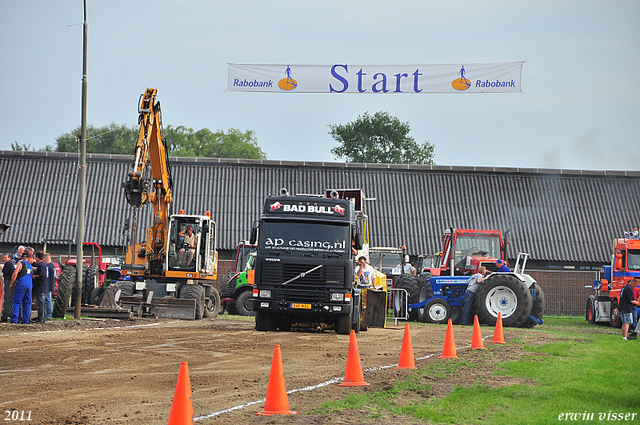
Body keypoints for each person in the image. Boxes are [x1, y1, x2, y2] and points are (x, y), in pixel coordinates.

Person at [10, 252, 33, 324]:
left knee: (17, 302)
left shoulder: (20, 263)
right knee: (27, 303)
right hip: (29, 285)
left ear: (22, 257)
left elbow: (15, 274)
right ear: (28, 258)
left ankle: (14, 319)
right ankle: (26, 320)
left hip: (21, 284)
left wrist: (11, 283)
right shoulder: (30, 265)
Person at [32, 251, 48, 323]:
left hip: (40, 287)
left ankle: (41, 318)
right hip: (44, 287)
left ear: (37, 258)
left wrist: (35, 276)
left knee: (40, 304)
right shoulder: (44, 265)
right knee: (43, 303)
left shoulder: (41, 265)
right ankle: (43, 318)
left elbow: (42, 275)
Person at [44, 253, 56, 320]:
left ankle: (48, 315)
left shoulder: (48, 267)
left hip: (48, 286)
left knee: (48, 300)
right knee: (49, 300)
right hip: (52, 285)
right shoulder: (53, 266)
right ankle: (48, 314)